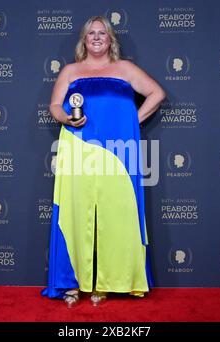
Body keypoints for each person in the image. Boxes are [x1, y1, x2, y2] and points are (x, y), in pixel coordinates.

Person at [41, 15, 166, 308]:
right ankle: (70, 283)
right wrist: (66, 120)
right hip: (77, 147)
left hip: (118, 150)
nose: (97, 37)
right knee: (73, 212)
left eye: (102, 33)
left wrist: (130, 123)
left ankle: (107, 283)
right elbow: (55, 106)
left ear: (110, 39)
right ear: (84, 40)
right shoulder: (71, 70)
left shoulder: (125, 68)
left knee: (116, 213)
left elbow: (156, 93)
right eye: (91, 33)